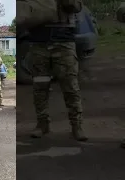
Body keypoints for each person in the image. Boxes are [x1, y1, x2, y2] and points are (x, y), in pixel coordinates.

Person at [17, 0, 87, 141]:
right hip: (39, 44)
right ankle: (42, 124)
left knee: (70, 86)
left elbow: (77, 7)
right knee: (40, 87)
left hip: (63, 43)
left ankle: (76, 126)